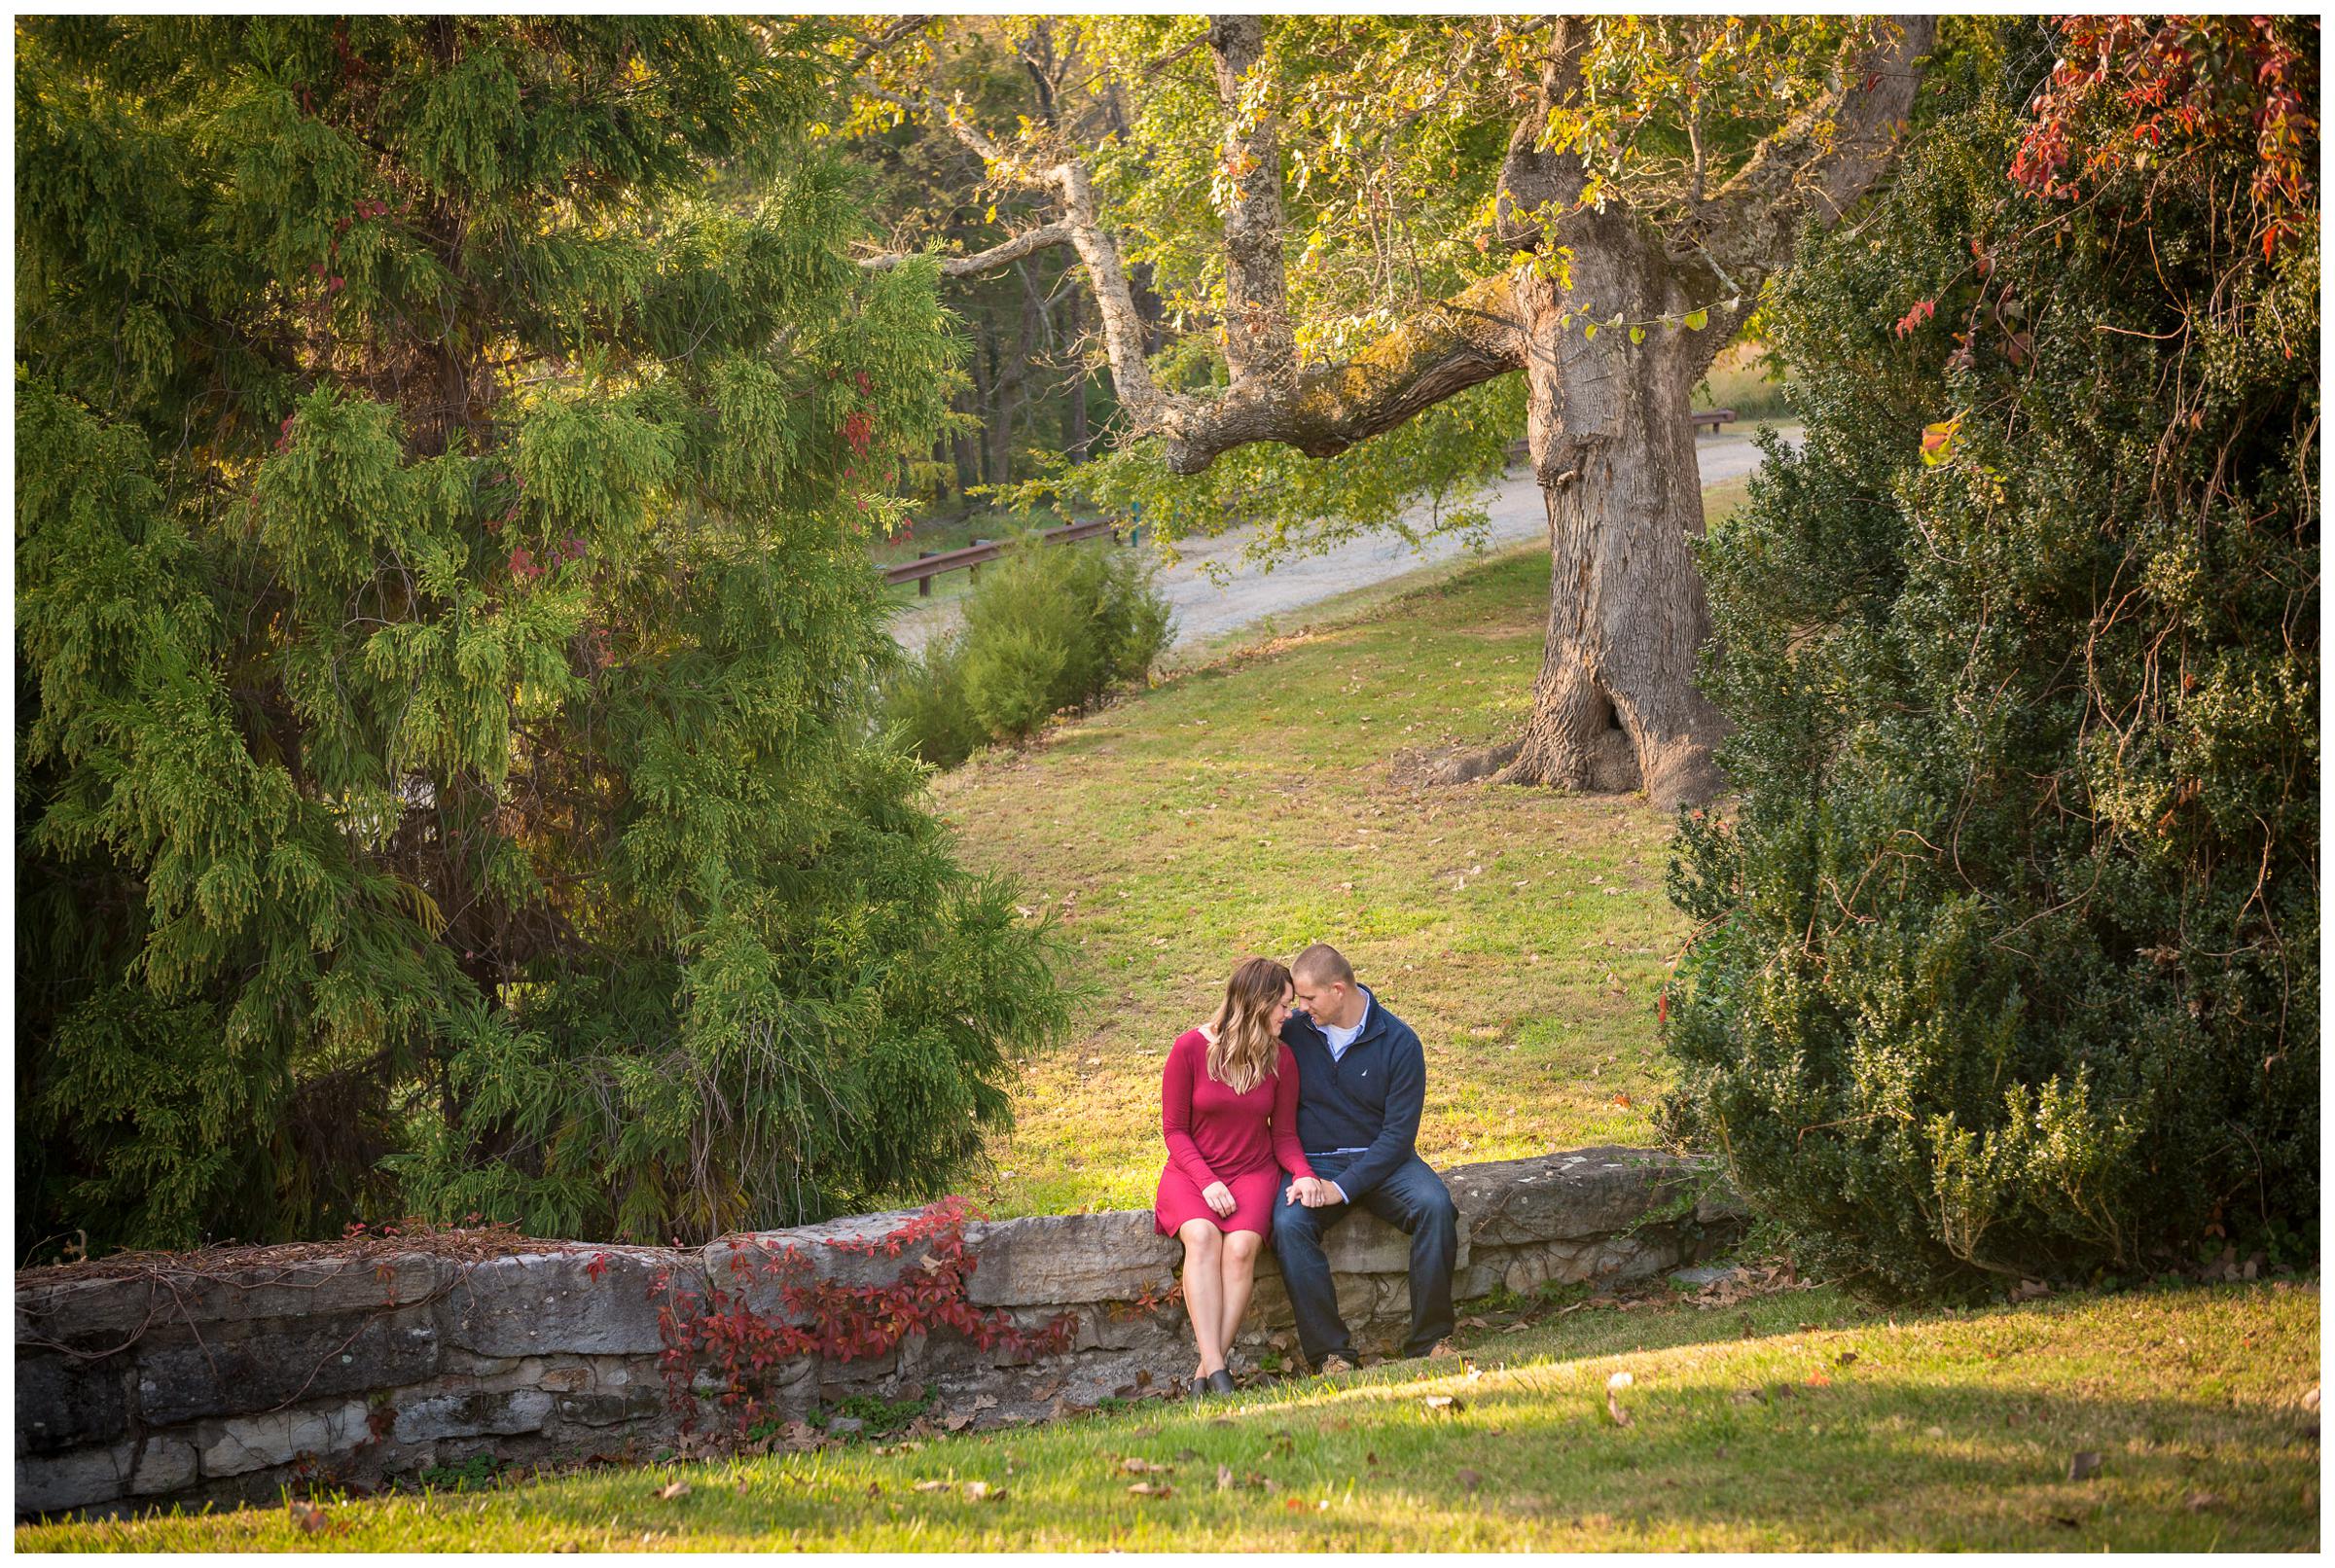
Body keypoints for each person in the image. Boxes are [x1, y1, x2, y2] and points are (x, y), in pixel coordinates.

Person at [1272, 942, 1459, 1374]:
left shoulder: (1399, 1042)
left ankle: (1430, 1340)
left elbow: (1398, 1137)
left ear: (1338, 989)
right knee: (1288, 1224)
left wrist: (1342, 1188)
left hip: (1385, 1163)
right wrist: (1311, 1177)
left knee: (1434, 1206)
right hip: (1314, 1162)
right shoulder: (1296, 1033)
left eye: (1308, 998)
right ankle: (1330, 1355)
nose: (1300, 1008)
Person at [1154, 956, 1327, 1398]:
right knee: (1202, 1238)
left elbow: (1284, 1134)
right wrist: (1207, 1182)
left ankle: (1204, 1372)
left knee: (1242, 1248)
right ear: (1257, 1002)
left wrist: (1304, 1173)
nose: (1290, 1015)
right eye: (1283, 1006)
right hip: (1194, 1173)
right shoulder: (1189, 1048)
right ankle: (1217, 1369)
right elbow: (1174, 1130)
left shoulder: (1281, 1058)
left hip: (1252, 1170)